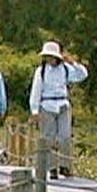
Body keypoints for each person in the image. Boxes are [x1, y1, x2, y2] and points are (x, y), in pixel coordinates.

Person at [29, 40, 88, 178]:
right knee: (48, 137)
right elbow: (36, 91)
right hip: (46, 105)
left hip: (63, 104)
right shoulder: (41, 71)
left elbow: (83, 75)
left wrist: (73, 62)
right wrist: (35, 111)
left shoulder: (66, 69)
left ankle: (65, 166)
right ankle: (51, 167)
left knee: (65, 136)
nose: (49, 58)